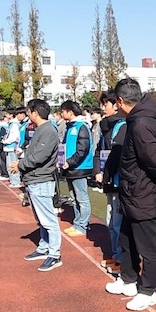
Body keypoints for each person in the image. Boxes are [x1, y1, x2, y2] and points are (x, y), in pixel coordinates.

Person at [105, 78, 156, 311]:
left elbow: (153, 160)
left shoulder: (141, 123)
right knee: (126, 238)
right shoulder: (135, 120)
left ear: (121, 100)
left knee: (146, 245)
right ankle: (129, 279)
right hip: (132, 190)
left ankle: (149, 291)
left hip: (142, 192)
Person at [9, 99, 62, 272]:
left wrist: (20, 165)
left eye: (28, 112)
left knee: (48, 219)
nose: (27, 115)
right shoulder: (40, 129)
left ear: (35, 113)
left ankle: (55, 254)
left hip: (41, 180)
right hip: (34, 179)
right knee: (41, 219)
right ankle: (44, 247)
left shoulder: (48, 131)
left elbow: (40, 156)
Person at [97, 91, 127, 273]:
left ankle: (122, 259)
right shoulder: (107, 126)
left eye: (106, 104)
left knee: (117, 222)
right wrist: (99, 171)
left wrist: (107, 173)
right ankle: (116, 255)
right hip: (109, 179)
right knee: (111, 220)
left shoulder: (122, 126)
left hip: (118, 180)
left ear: (116, 104)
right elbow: (100, 151)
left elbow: (116, 155)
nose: (103, 108)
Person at [59, 100, 93, 237]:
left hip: (79, 167)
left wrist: (70, 162)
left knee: (82, 198)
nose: (61, 114)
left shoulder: (81, 126)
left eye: (63, 111)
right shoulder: (70, 126)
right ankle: (77, 223)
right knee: (74, 198)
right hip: (70, 167)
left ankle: (82, 225)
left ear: (70, 111)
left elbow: (83, 149)